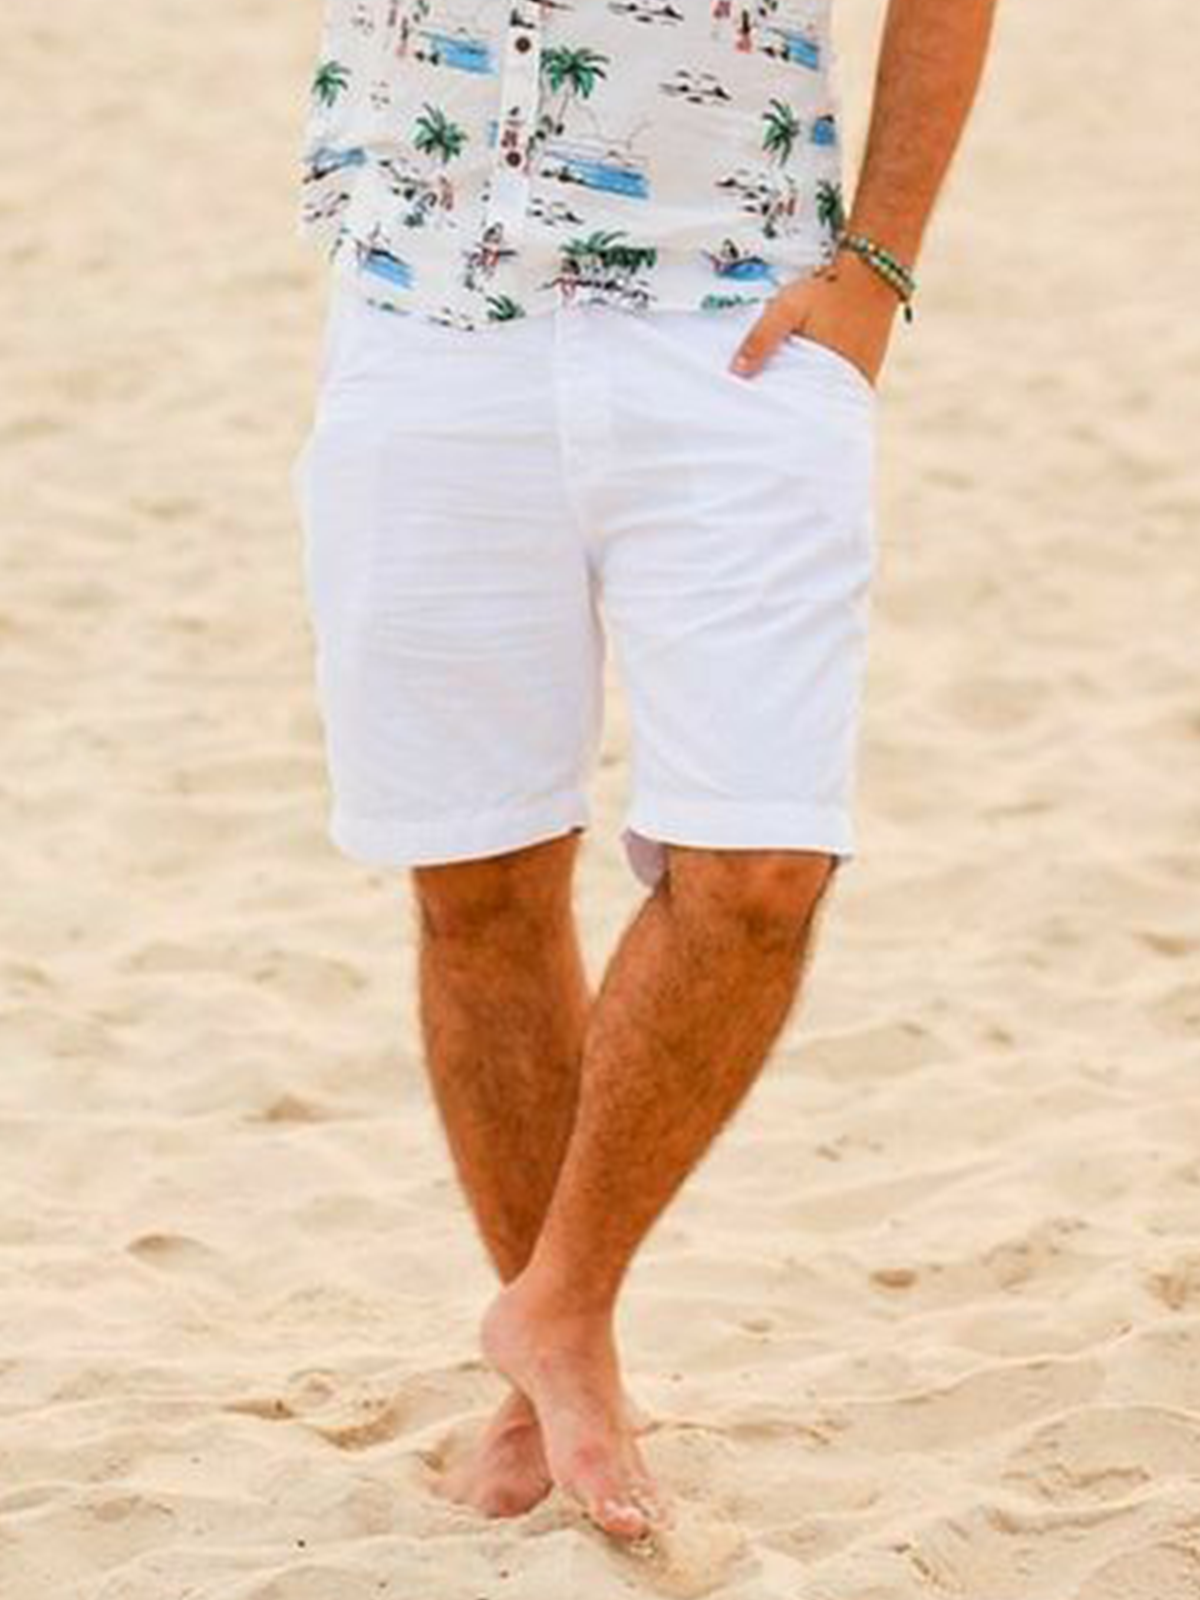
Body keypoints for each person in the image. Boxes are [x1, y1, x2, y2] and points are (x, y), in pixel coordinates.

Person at [290, 0, 998, 1545]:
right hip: (429, 306)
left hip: (737, 318)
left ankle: (561, 1299)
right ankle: (560, 1358)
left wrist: (877, 264)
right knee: (480, 874)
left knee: (760, 870)